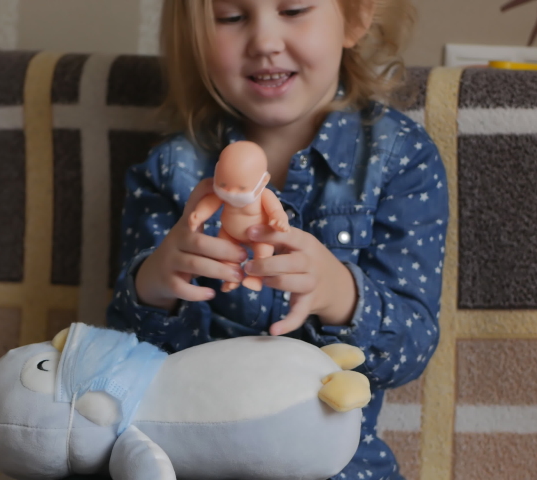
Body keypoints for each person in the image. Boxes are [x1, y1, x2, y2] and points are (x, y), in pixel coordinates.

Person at [106, 0, 448, 477]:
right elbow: (120, 360)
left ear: (354, 18)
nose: (264, 42)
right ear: (195, 36)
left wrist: (339, 294)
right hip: (187, 460)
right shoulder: (171, 169)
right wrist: (154, 283)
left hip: (334, 465)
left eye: (294, 9)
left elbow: (412, 350)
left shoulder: (400, 159)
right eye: (231, 17)